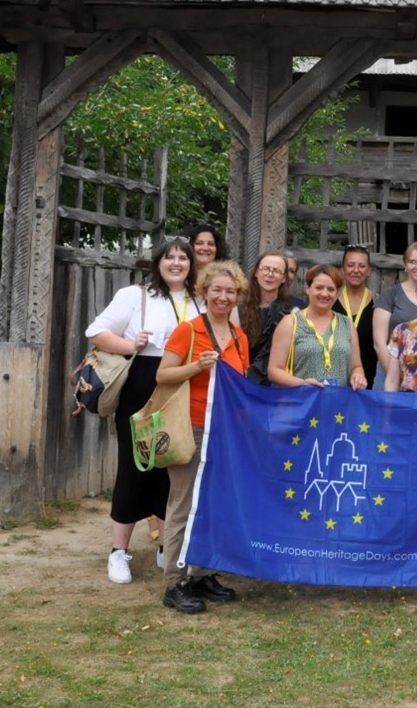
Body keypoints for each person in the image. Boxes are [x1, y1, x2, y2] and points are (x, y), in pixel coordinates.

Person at [85, 236, 199, 585]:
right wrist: (129, 343)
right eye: (170, 258)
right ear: (158, 262)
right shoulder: (135, 296)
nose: (176, 264)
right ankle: (118, 552)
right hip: (141, 384)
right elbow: (96, 332)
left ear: (192, 265)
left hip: (182, 385)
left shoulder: (200, 299)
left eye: (183, 258)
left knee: (173, 467)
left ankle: (168, 545)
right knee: (135, 466)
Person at [155, 260, 250, 613]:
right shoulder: (189, 331)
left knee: (213, 504)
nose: (223, 297)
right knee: (183, 504)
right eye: (217, 291)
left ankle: (201, 574)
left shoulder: (240, 339)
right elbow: (162, 375)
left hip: (223, 432)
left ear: (238, 296)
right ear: (204, 292)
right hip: (190, 428)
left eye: (230, 291)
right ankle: (173, 583)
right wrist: (196, 366)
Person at [267, 264, 368, 389]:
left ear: (337, 293)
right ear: (307, 288)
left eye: (331, 289)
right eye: (319, 288)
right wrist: (302, 383)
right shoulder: (290, 323)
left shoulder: (347, 324)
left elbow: (356, 366)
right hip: (302, 403)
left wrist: (358, 376)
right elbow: (274, 371)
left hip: (338, 404)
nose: (324, 294)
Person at [372, 242, 417, 391]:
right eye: (412, 262)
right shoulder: (390, 295)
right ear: (405, 265)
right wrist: (395, 376)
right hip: (389, 371)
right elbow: (379, 342)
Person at [237, 250, 300, 384]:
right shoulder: (237, 309)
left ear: (284, 278)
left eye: (276, 271)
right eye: (265, 269)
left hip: (276, 387)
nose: (270, 274)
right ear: (256, 273)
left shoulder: (293, 313)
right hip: (242, 382)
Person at [333, 245, 380, 386]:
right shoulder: (329, 301)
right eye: (350, 265)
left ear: (369, 271)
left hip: (367, 381)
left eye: (361, 266)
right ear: (342, 269)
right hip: (333, 379)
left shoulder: (379, 303)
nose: (356, 270)